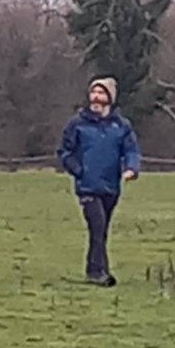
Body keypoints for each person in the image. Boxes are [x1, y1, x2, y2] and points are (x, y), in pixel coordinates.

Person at [57, 76, 142, 287]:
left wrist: (132, 168)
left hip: (111, 186)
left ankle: (94, 268)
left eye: (101, 93)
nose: (96, 96)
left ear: (110, 98)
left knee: (102, 230)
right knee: (97, 225)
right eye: (93, 92)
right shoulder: (77, 123)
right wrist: (78, 170)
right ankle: (98, 272)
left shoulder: (121, 126)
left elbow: (131, 150)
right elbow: (64, 151)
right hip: (87, 186)